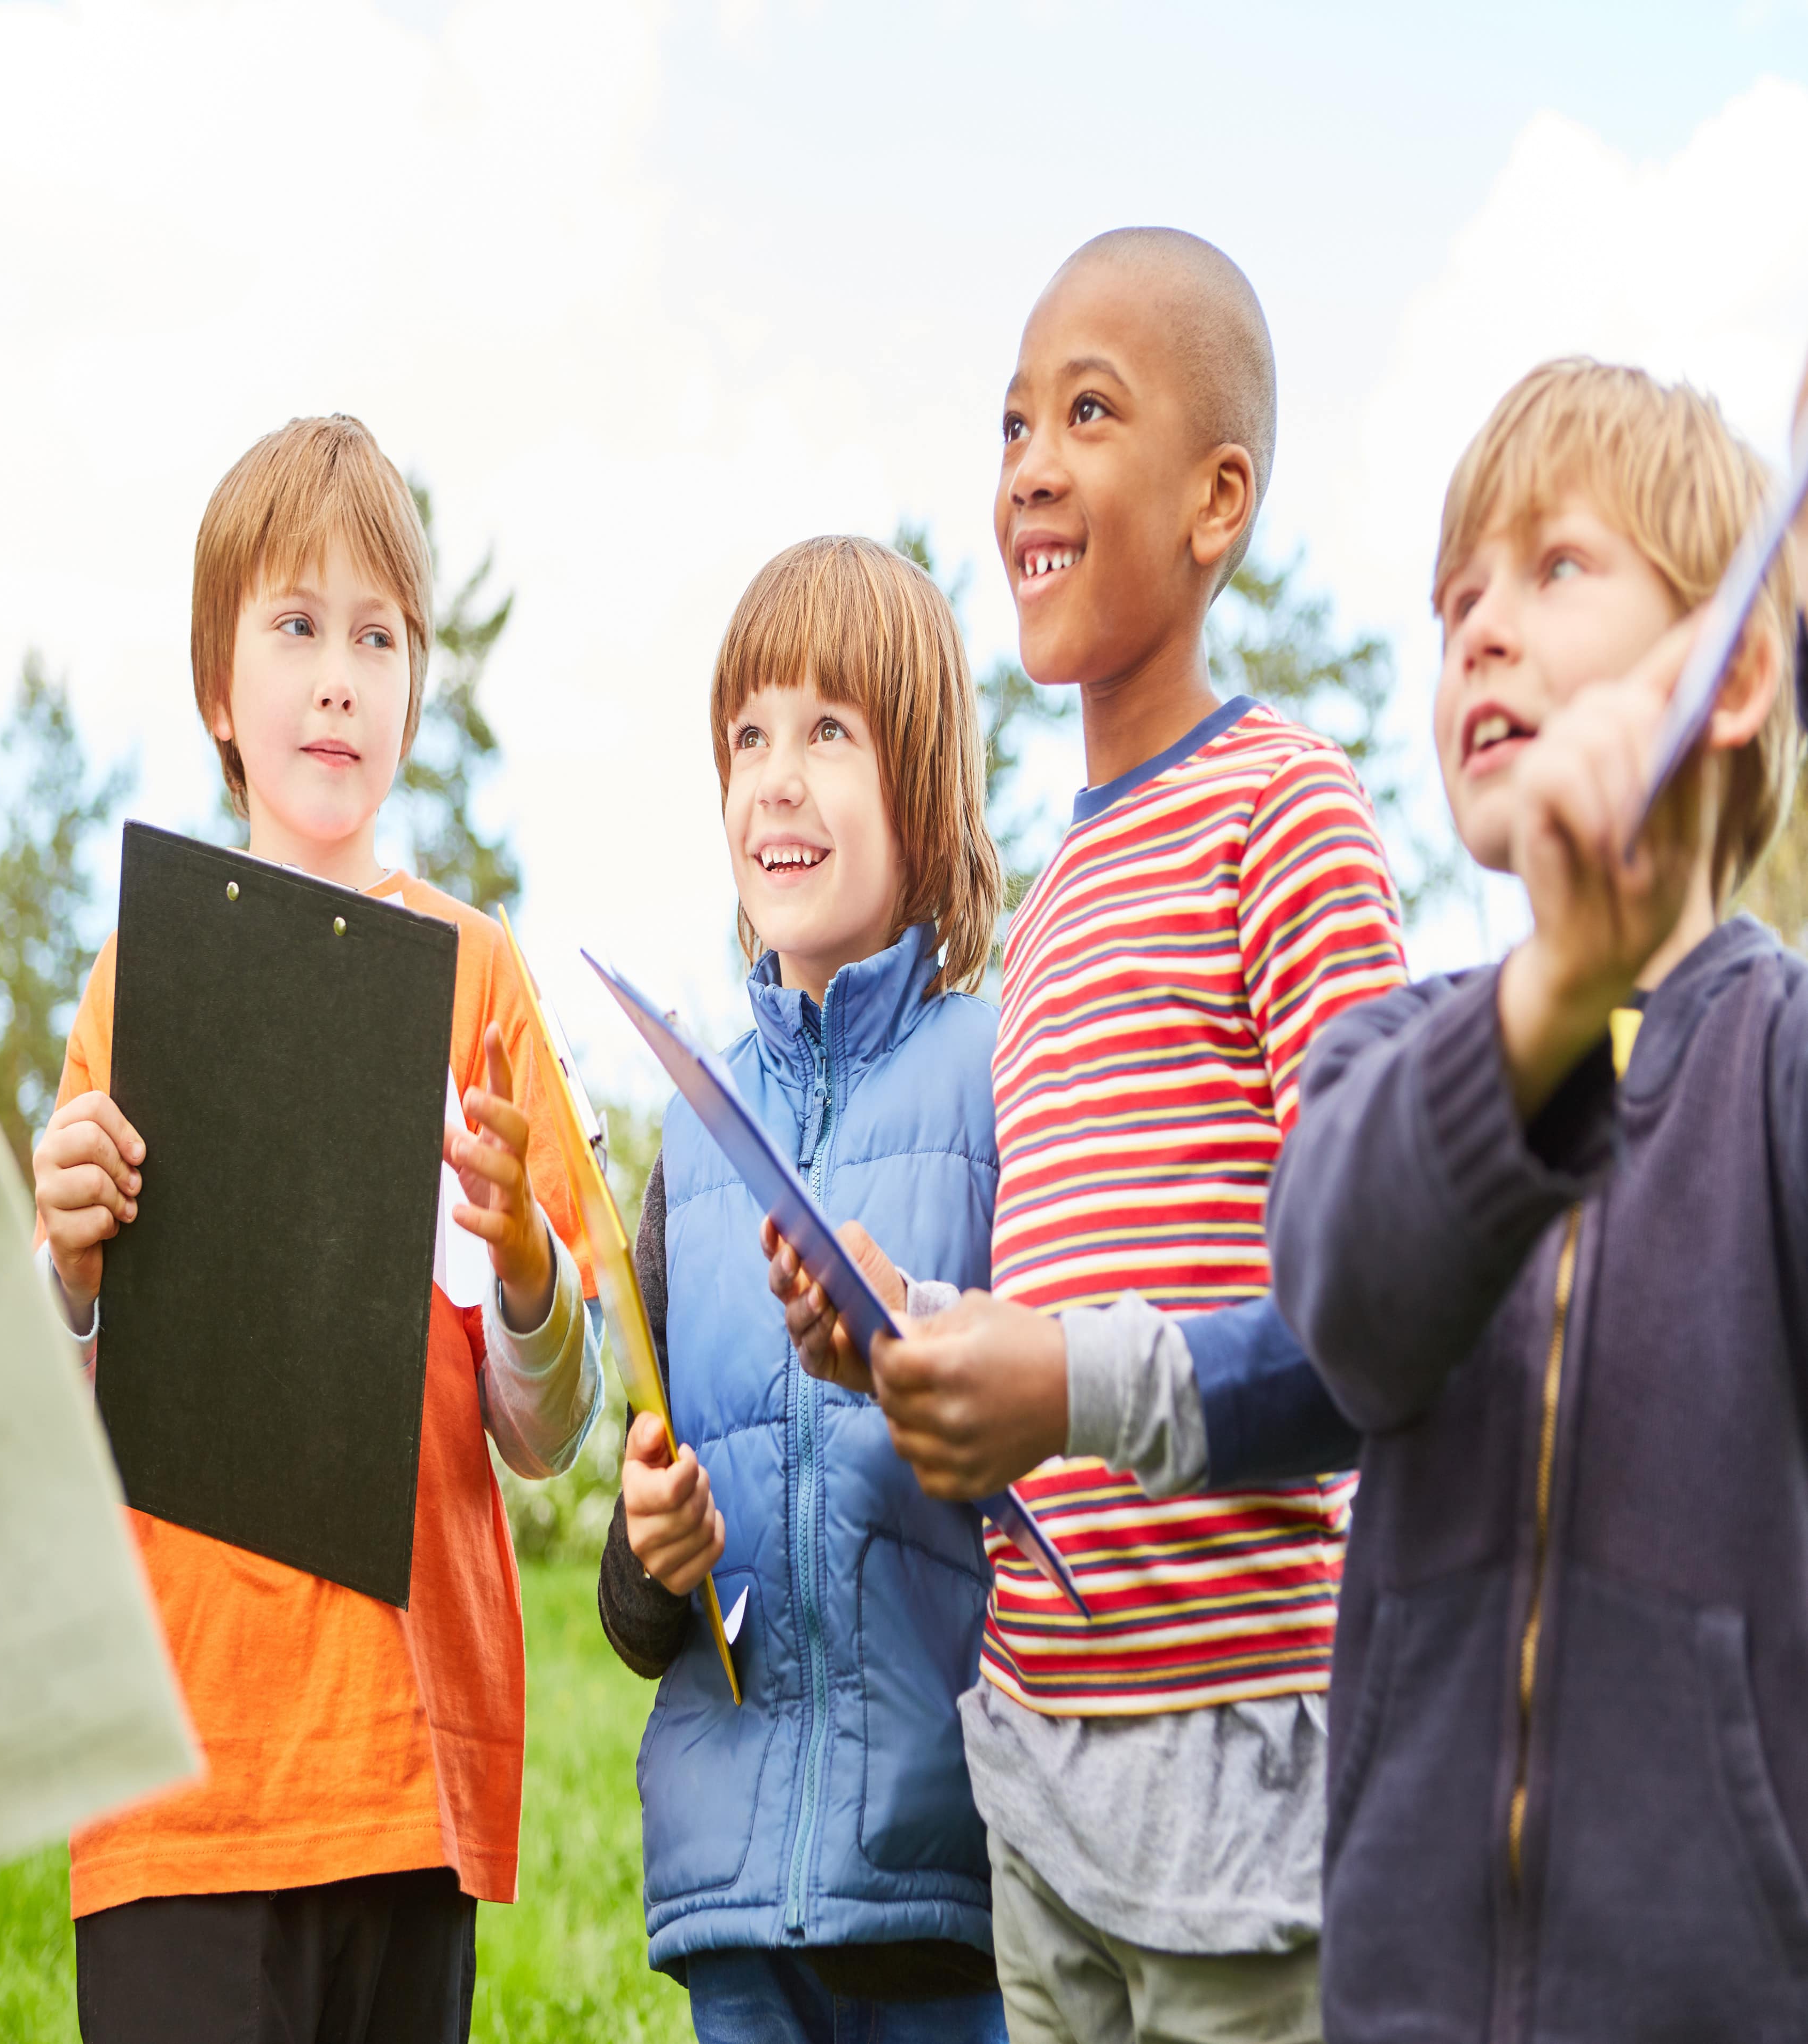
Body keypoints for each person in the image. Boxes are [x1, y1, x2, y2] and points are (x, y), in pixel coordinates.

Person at [772, 231, 1403, 2043]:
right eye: (1010, 421)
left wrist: (1057, 1382)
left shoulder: (1284, 809)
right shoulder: (1044, 913)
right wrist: (908, 1336)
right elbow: (1067, 1322)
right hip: (1039, 1772)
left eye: (1088, 411)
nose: (1028, 461)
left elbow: (1367, 1313)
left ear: (1219, 504)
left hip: (1238, 1781)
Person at [30, 415, 602, 2044]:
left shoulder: (477, 982)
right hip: (175, 1772)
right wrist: (68, 1273)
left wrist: (524, 1265)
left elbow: (546, 1424)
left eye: (378, 636)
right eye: (295, 626)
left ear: (418, 683)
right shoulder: (143, 980)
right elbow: (71, 1415)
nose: (338, 676)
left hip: (401, 1772)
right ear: (220, 686)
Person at [1265, 359, 1807, 2039]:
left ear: (1732, 674)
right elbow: (1346, 1298)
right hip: (1405, 1995)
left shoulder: (1779, 1067)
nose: (1479, 629)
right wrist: (1550, 997)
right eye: (1451, 605)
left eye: (1554, 566)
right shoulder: (1388, 1049)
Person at [595, 536, 1011, 2042]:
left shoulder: (1007, 1079)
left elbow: (1065, 1468)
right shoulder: (688, 1145)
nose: (776, 776)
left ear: (923, 779)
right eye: (747, 736)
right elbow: (634, 1612)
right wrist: (654, 1548)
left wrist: (908, 1364)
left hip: (943, 1894)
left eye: (828, 729)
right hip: (730, 1907)